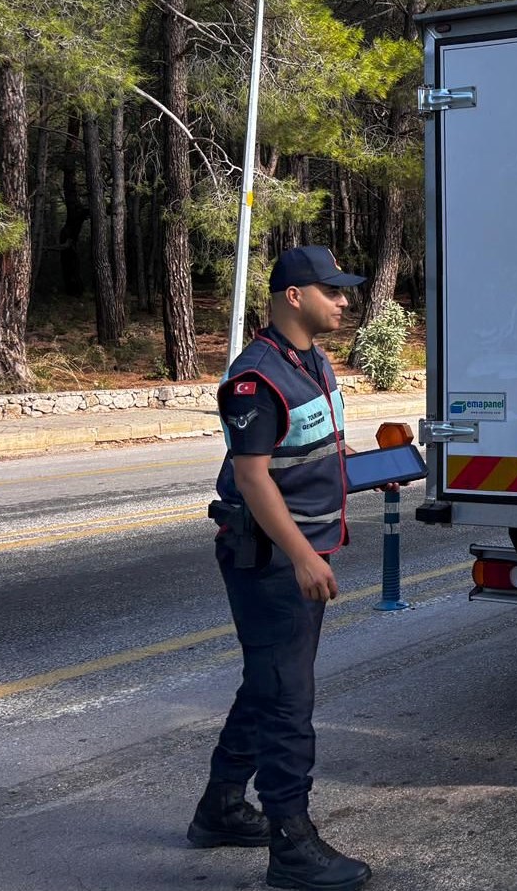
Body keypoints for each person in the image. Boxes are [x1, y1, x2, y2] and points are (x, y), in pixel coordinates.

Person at [188, 246, 373, 891]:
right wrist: (301, 556)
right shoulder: (256, 376)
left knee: (267, 683)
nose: (344, 301)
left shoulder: (311, 362)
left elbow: (300, 445)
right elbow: (252, 476)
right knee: (288, 700)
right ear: (293, 296)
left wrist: (342, 457)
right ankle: (292, 845)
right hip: (270, 562)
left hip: (296, 554)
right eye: (332, 291)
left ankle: (219, 808)